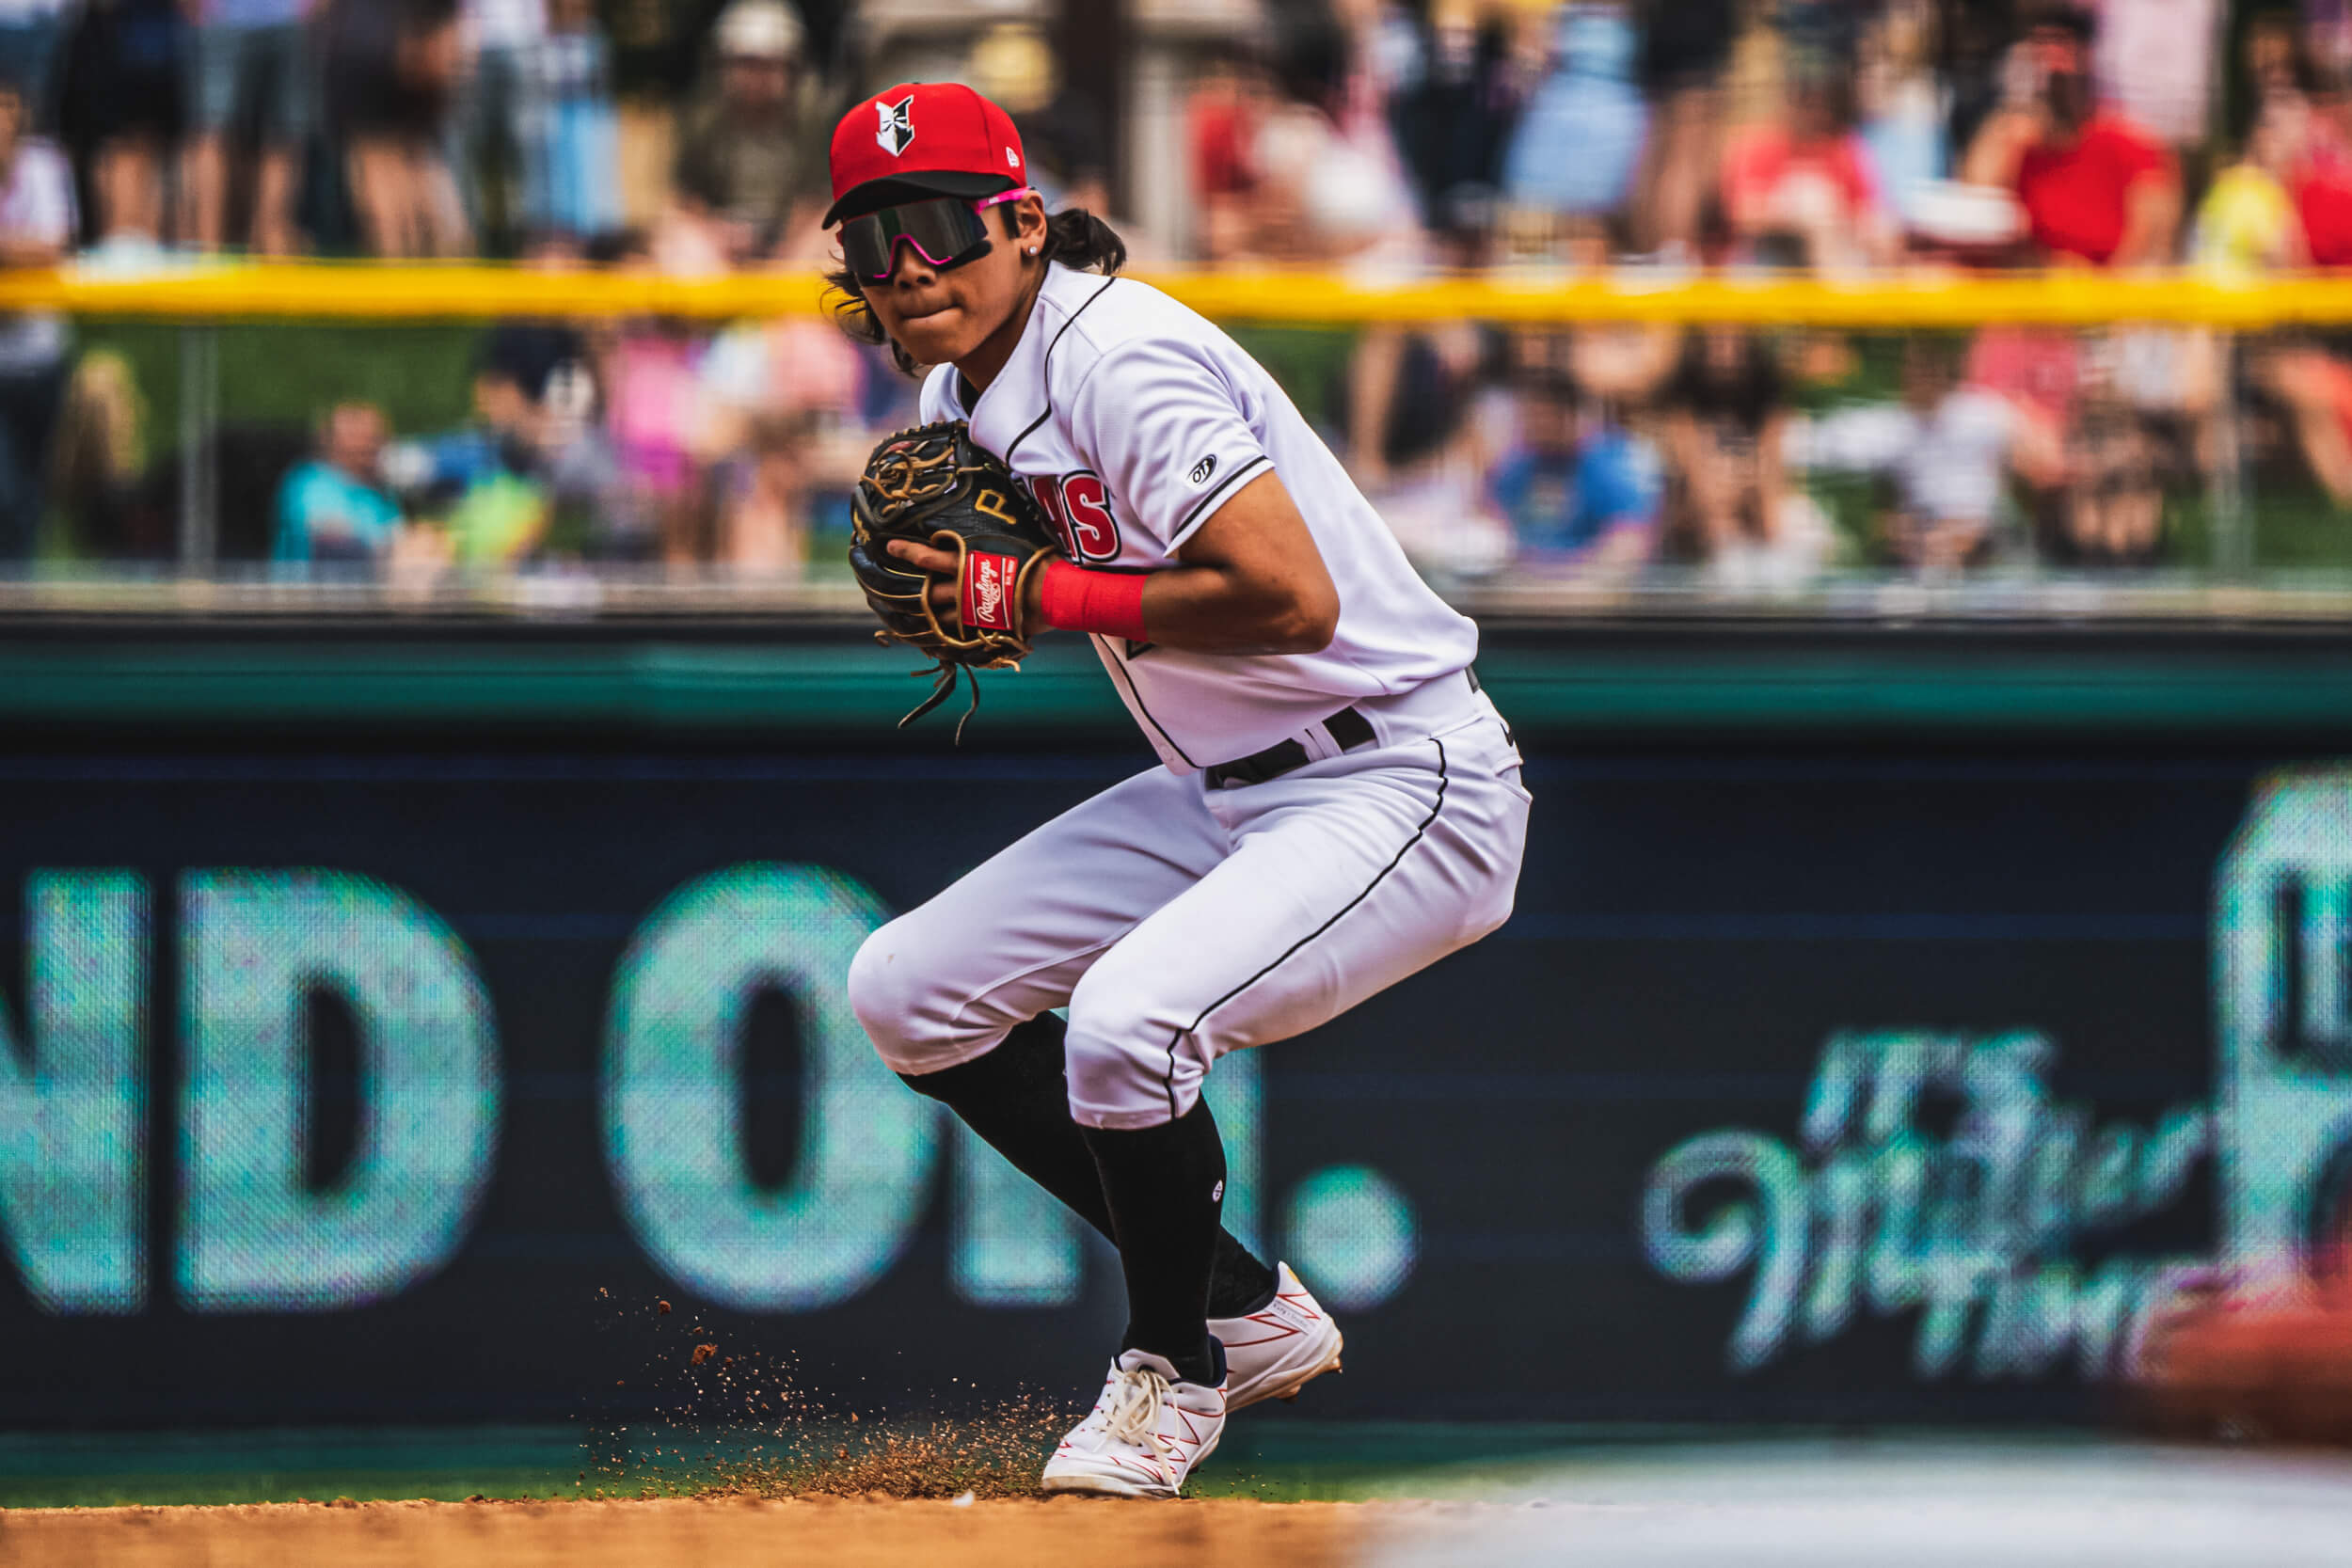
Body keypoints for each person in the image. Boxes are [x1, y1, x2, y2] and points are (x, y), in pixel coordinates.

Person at [825, 82, 1528, 1499]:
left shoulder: (1119, 357)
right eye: (875, 240)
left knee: (1127, 1023)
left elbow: (1291, 598)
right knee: (907, 988)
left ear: (1024, 225)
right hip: (1223, 786)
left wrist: (1041, 590)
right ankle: (1243, 1306)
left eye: (943, 225)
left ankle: (1172, 1368)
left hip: (1401, 773)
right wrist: (1016, 589)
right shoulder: (956, 393)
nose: (911, 266)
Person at [1960, 6, 2180, 267]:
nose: (2049, 63)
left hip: (2109, 288)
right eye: (2039, 48)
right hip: (2031, 285)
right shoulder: (2015, 144)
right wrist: (2001, 138)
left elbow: (2152, 249)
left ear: (2088, 56)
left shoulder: (2131, 144)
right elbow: (1974, 219)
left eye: (2060, 47)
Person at [0, 72, 70, 560]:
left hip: (41, 356)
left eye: (8, 109)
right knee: (3, 489)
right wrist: (20, 251)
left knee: (30, 492)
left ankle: (19, 589)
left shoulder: (43, 164)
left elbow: (53, 246)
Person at [181, 0, 311, 254]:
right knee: (215, 131)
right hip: (227, 17)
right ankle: (211, 246)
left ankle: (267, 242)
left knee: (283, 136)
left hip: (285, 19)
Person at [274, 402, 404, 563]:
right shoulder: (311, 483)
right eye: (355, 436)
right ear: (329, 440)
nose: (367, 444)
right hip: (319, 579)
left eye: (375, 437)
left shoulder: (381, 491)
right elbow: (334, 544)